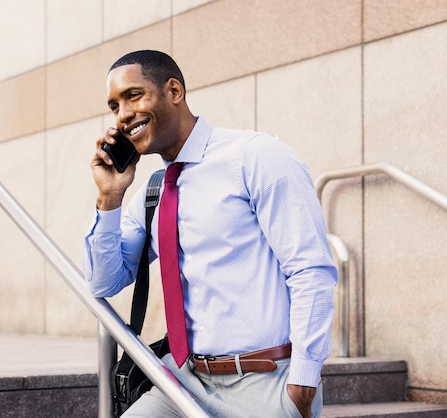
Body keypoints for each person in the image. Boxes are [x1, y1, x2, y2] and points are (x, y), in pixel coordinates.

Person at [83, 50, 337, 417]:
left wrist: (302, 385)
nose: (122, 115)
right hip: (183, 381)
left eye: (133, 95)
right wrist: (110, 197)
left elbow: (310, 268)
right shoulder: (153, 192)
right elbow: (102, 282)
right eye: (114, 105)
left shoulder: (255, 156)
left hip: (264, 381)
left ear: (174, 90)